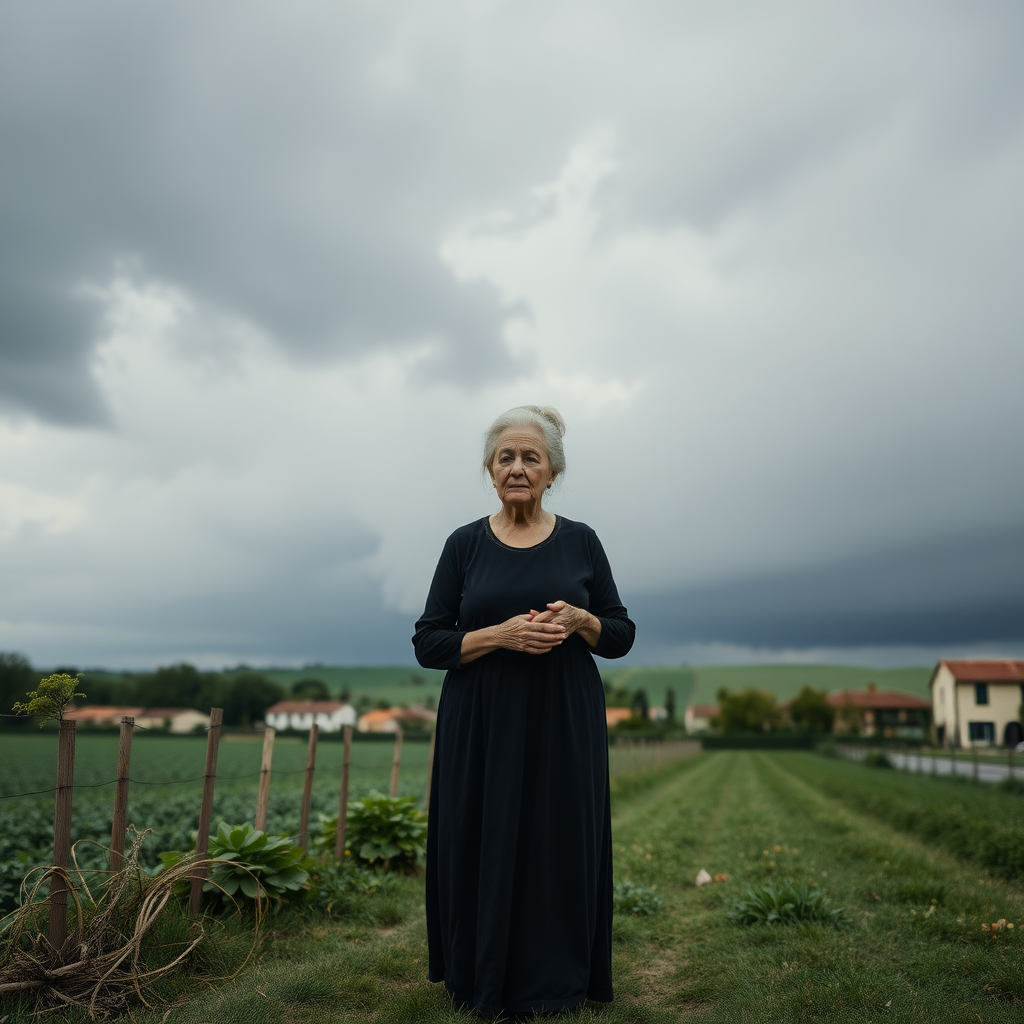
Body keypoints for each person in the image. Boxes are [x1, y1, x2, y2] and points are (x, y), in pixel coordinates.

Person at [412, 405, 636, 1016]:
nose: (517, 467)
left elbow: (620, 635)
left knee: (559, 839)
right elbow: (429, 642)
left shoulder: (582, 540)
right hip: (481, 721)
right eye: (506, 456)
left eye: (530, 457)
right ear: (489, 469)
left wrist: (584, 618)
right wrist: (500, 635)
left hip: (564, 720)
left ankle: (556, 982)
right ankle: (480, 976)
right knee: (479, 837)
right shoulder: (464, 545)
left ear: (552, 472)